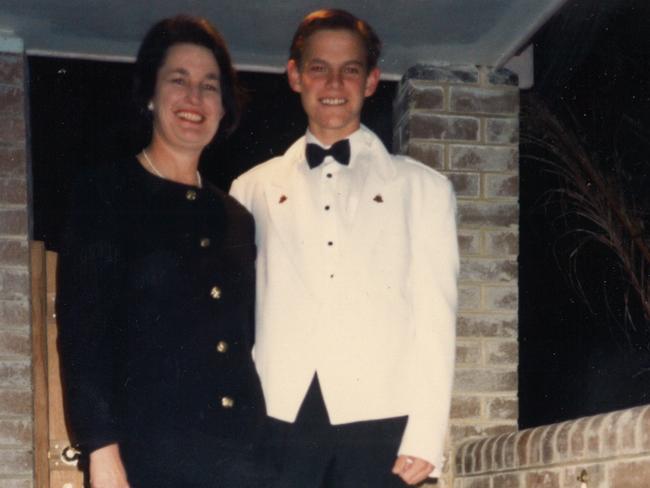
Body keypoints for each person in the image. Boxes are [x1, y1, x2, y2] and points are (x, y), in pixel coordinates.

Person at [230, 8, 459, 488]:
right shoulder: (250, 189)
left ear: (371, 80)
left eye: (350, 69)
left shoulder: (424, 189)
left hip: (382, 419)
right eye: (318, 67)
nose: (334, 82)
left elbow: (437, 317)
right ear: (295, 75)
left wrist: (426, 433)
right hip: (277, 418)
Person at [57, 15, 271, 488]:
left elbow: (242, 343)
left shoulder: (237, 217)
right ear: (151, 95)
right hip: (147, 457)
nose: (194, 98)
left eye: (209, 86)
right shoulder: (106, 194)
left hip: (239, 459)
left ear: (223, 107)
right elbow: (84, 337)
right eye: (179, 80)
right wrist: (101, 451)